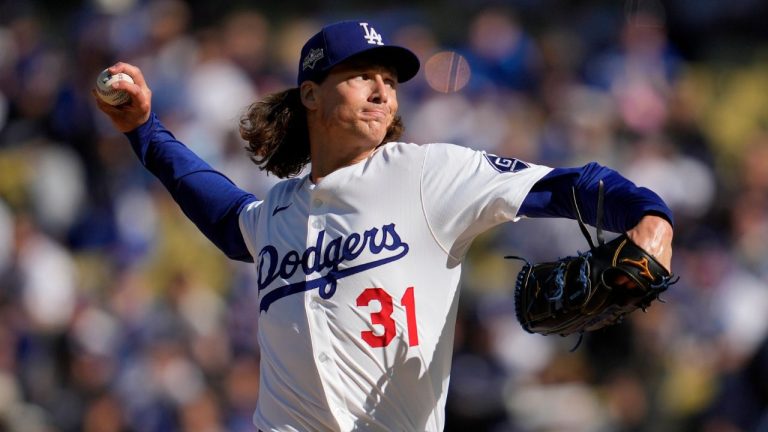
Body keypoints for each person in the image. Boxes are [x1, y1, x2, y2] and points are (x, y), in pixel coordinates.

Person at [94, 19, 674, 432]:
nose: (382, 91)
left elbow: (562, 185)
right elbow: (225, 215)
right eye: (362, 75)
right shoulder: (277, 212)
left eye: (390, 81)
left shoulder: (428, 173)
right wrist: (144, 130)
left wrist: (651, 216)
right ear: (311, 94)